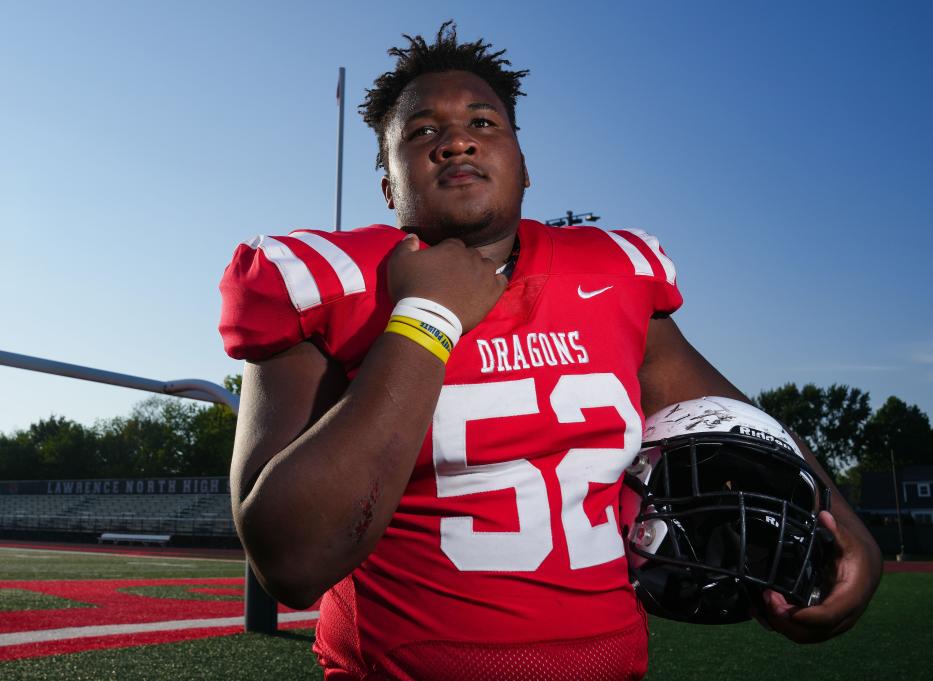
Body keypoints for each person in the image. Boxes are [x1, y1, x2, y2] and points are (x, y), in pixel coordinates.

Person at [218, 22, 881, 681]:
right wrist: (424, 318)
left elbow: (728, 420)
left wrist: (846, 524)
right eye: (422, 132)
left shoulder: (615, 274)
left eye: (484, 122)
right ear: (389, 187)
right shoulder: (325, 281)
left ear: (523, 165)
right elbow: (292, 563)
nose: (455, 140)